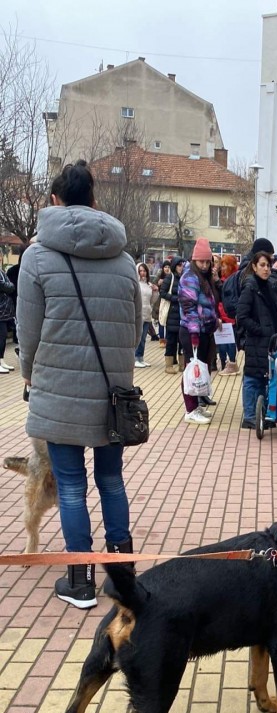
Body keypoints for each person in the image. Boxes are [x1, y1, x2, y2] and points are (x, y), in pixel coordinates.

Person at [17, 159, 141, 608]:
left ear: (54, 201)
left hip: (58, 392)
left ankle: (80, 580)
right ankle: (123, 575)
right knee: (112, 482)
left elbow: (26, 332)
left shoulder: (35, 257)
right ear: (94, 200)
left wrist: (29, 371)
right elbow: (134, 330)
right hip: (113, 394)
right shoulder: (124, 259)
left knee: (70, 486)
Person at [236, 251, 277, 429]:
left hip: (269, 341)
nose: (266, 269)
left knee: (264, 377)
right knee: (252, 378)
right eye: (262, 265)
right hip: (257, 340)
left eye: (268, 266)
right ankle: (249, 417)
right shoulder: (250, 287)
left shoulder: (267, 286)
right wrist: (260, 330)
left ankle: (261, 415)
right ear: (254, 267)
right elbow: (242, 316)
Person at [178, 237, 220, 426]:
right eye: (201, 261)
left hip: (204, 330)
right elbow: (189, 308)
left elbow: (209, 304)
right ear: (194, 260)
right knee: (191, 369)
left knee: (199, 367)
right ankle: (190, 409)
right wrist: (195, 333)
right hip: (191, 331)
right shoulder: (189, 277)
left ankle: (196, 406)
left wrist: (214, 320)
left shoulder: (204, 277)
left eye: (207, 261)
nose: (204, 264)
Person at [216, 254, 240, 374]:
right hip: (220, 315)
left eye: (224, 266)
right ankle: (223, 362)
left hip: (230, 316)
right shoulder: (221, 279)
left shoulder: (235, 280)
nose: (222, 268)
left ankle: (232, 363)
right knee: (221, 341)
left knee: (230, 342)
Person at [159, 257, 184, 372]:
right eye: (179, 265)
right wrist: (175, 298)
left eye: (182, 265)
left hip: (182, 314)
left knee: (183, 341)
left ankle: (182, 364)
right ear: (175, 266)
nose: (181, 267)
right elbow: (162, 292)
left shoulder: (185, 278)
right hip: (171, 314)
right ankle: (169, 365)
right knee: (171, 341)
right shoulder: (170, 277)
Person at [134, 262, 156, 368]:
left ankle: (140, 357)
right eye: (140, 271)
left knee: (143, 338)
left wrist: (155, 291)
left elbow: (152, 300)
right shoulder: (136, 284)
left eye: (144, 271)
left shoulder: (148, 285)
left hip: (147, 313)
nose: (142, 273)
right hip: (138, 313)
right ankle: (135, 358)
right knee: (137, 336)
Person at [0, 266, 16, 375]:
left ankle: (1, 360)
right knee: (1, 336)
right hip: (1, 310)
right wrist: (7, 285)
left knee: (3, 336)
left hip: (4, 311)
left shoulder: (1, 272)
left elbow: (11, 286)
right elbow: (7, 286)